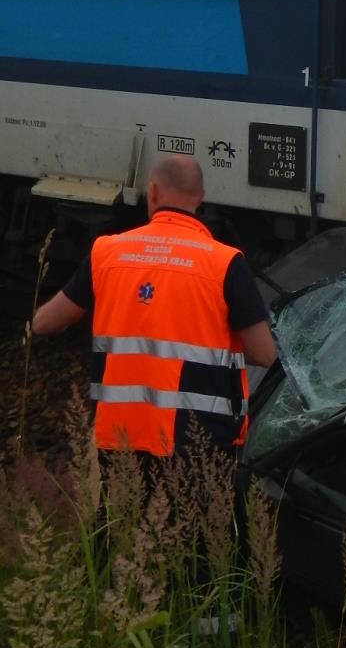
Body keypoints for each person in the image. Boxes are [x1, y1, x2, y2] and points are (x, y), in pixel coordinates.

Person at [31, 154, 276, 458]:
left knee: (123, 507)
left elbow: (44, 324)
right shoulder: (224, 263)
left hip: (119, 438)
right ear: (200, 198)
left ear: (153, 192)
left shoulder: (107, 253)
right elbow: (264, 353)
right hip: (199, 443)